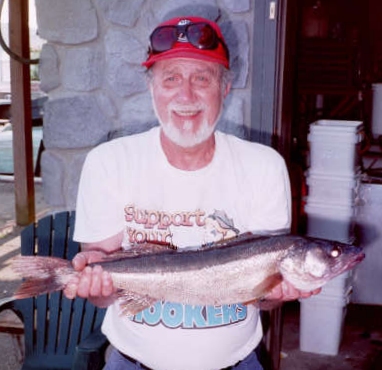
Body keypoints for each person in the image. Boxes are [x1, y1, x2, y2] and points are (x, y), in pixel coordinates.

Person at [64, 16, 318, 370]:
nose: (186, 95)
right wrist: (93, 283)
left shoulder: (265, 166)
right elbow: (105, 295)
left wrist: (275, 295)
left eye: (202, 78)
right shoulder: (108, 162)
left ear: (224, 88)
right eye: (171, 78)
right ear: (151, 87)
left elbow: (263, 300)